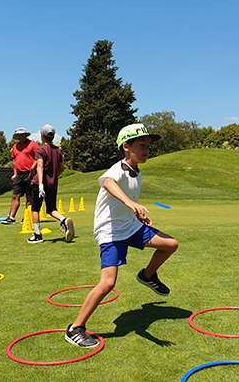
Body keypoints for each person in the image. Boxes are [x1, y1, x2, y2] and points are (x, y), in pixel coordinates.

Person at [65, 124, 179, 348]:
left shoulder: (137, 171)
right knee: (108, 283)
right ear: (126, 147)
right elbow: (108, 183)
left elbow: (127, 203)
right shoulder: (119, 168)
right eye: (142, 145)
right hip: (111, 233)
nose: (147, 150)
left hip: (131, 227)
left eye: (148, 146)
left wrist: (137, 215)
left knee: (170, 244)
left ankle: (147, 276)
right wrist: (130, 203)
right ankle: (75, 328)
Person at [26, 124, 74, 244]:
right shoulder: (58, 150)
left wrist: (41, 183)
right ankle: (64, 220)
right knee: (51, 208)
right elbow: (61, 168)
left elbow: (40, 166)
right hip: (52, 184)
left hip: (39, 183)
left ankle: (37, 235)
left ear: (42, 136)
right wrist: (53, 177)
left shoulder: (40, 149)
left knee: (35, 208)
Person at [0, 128, 38, 225]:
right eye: (17, 134)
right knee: (15, 196)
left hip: (30, 174)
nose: (19, 136)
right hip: (19, 175)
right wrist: (15, 173)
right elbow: (14, 161)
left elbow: (38, 157)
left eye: (21, 134)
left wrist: (34, 167)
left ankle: (27, 218)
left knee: (29, 197)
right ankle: (11, 218)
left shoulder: (33, 144)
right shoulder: (15, 147)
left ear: (26, 135)